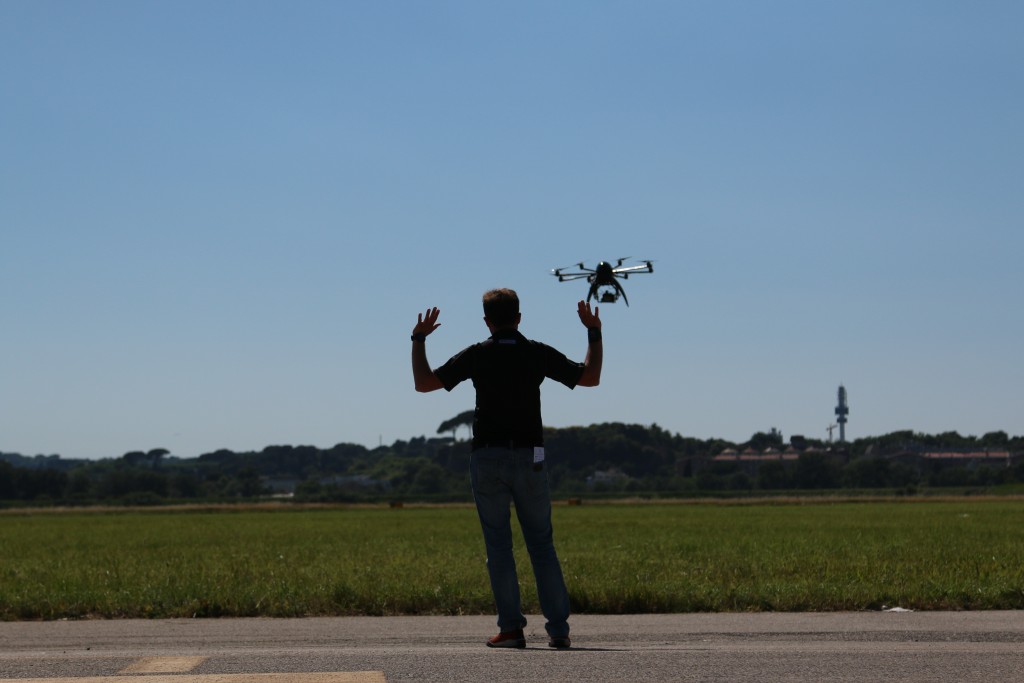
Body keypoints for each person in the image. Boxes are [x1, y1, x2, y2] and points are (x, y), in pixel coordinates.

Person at [410, 289, 603, 650]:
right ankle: (558, 629)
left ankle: (511, 629)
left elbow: (424, 384)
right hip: (531, 455)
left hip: (487, 457)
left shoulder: (478, 354)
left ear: (487, 321)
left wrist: (418, 339)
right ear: (519, 317)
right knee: (541, 545)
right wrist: (593, 331)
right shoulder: (536, 352)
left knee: (499, 547)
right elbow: (589, 376)